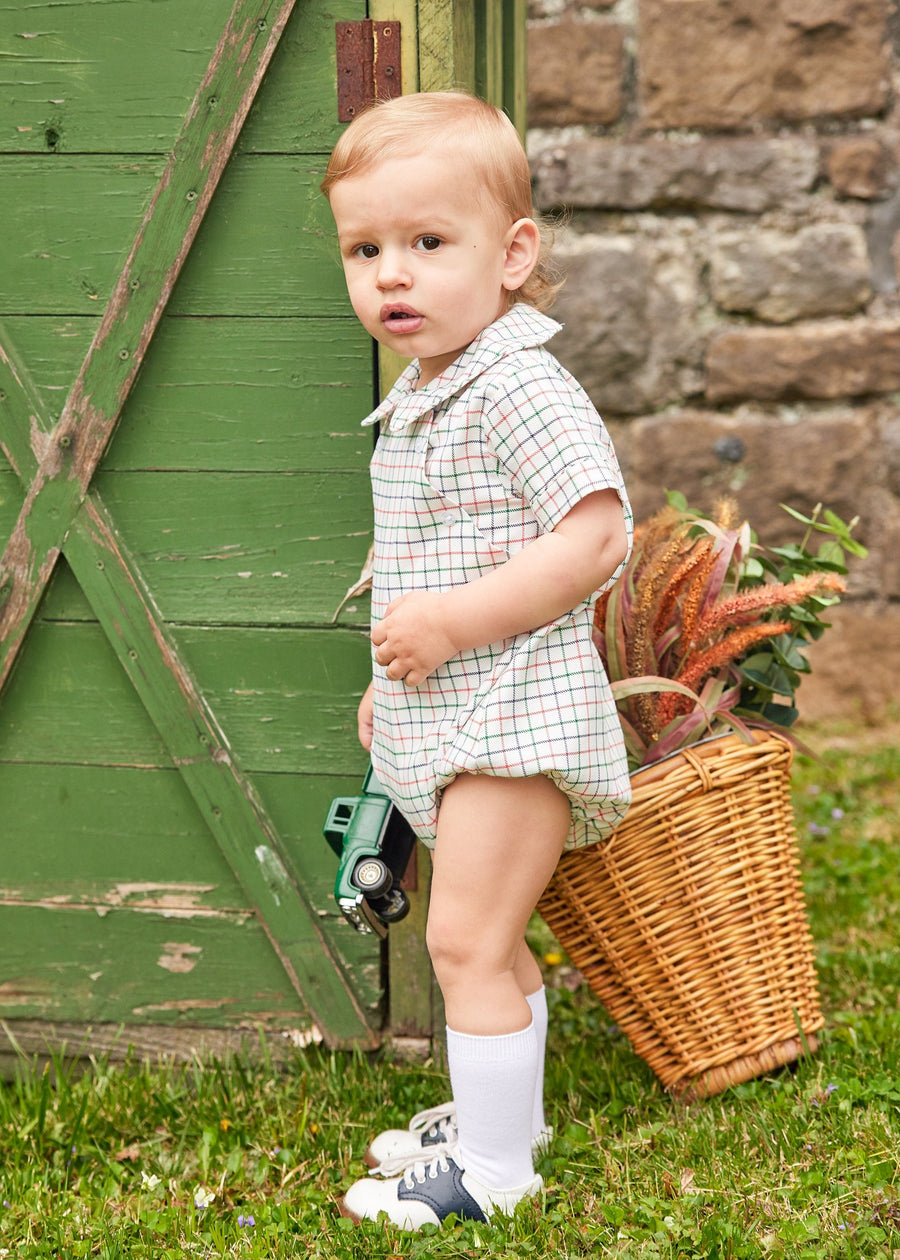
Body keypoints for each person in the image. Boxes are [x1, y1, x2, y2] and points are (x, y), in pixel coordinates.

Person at [321, 90, 633, 1231]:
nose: (391, 275)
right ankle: (508, 1117)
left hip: (518, 714)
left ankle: (497, 1176)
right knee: (488, 941)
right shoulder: (428, 393)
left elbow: (596, 533)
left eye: (427, 243)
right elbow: (429, 554)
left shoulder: (517, 385)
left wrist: (449, 628)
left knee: (465, 939)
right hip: (462, 713)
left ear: (512, 256)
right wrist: (394, 669)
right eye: (366, 249)